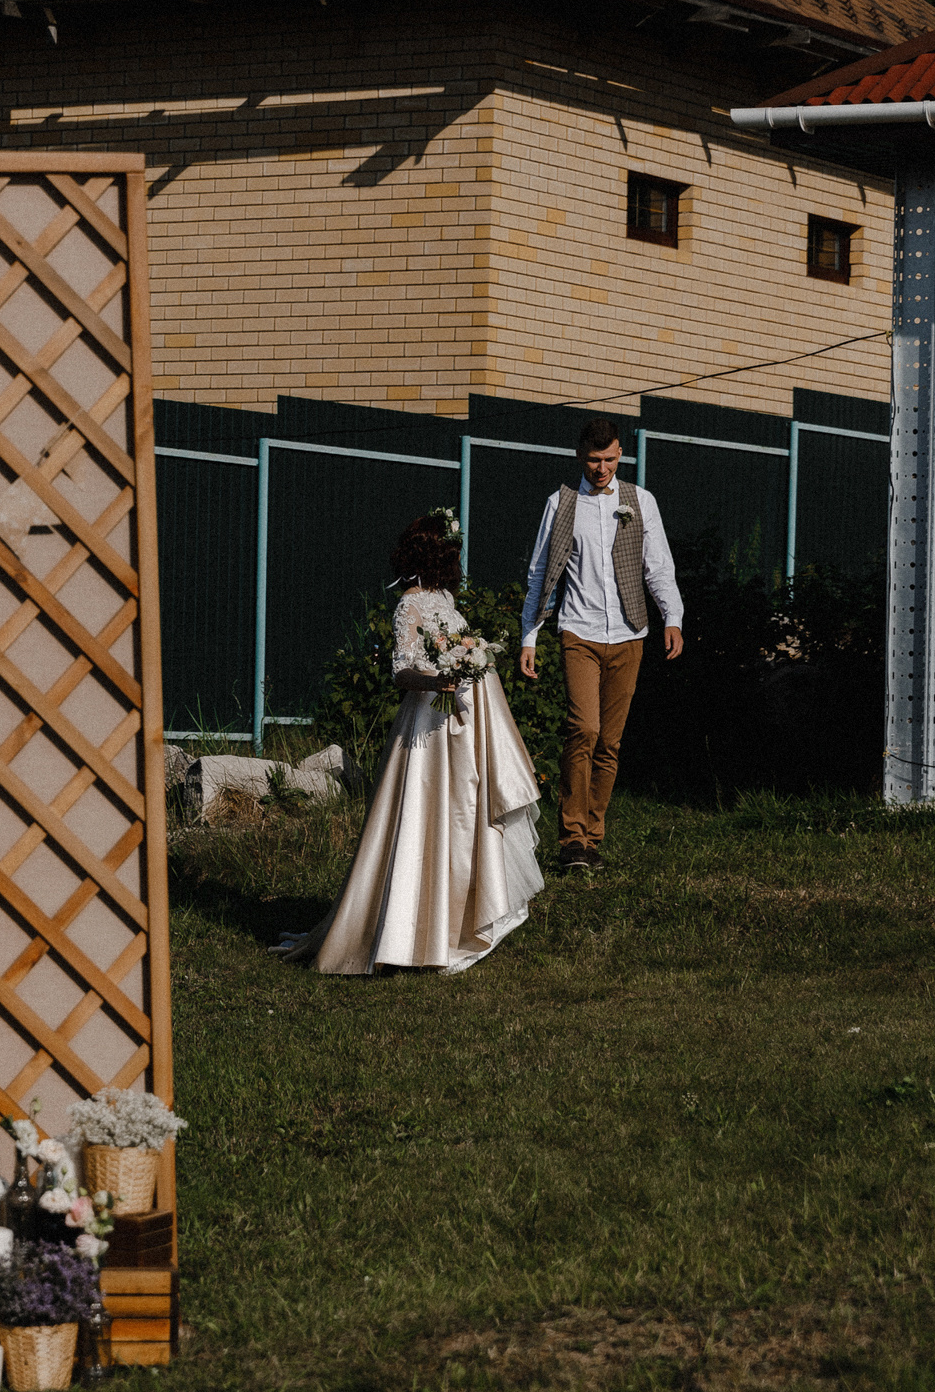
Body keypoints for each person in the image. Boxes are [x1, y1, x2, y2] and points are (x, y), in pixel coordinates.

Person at [288, 510, 545, 976]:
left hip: (465, 721)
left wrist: (472, 657)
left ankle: (455, 921)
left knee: (463, 816)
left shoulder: (445, 597)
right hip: (428, 724)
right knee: (423, 820)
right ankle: (408, 931)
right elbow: (401, 671)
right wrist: (438, 679)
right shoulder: (409, 603)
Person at [517, 417, 684, 870]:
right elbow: (541, 574)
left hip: (630, 633)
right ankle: (571, 837)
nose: (602, 468)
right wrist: (528, 636)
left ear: (620, 456)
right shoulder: (561, 503)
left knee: (609, 742)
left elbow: (659, 565)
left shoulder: (640, 501)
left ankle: (592, 839)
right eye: (594, 460)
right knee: (583, 730)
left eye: (610, 459)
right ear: (579, 457)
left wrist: (673, 616)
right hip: (579, 631)